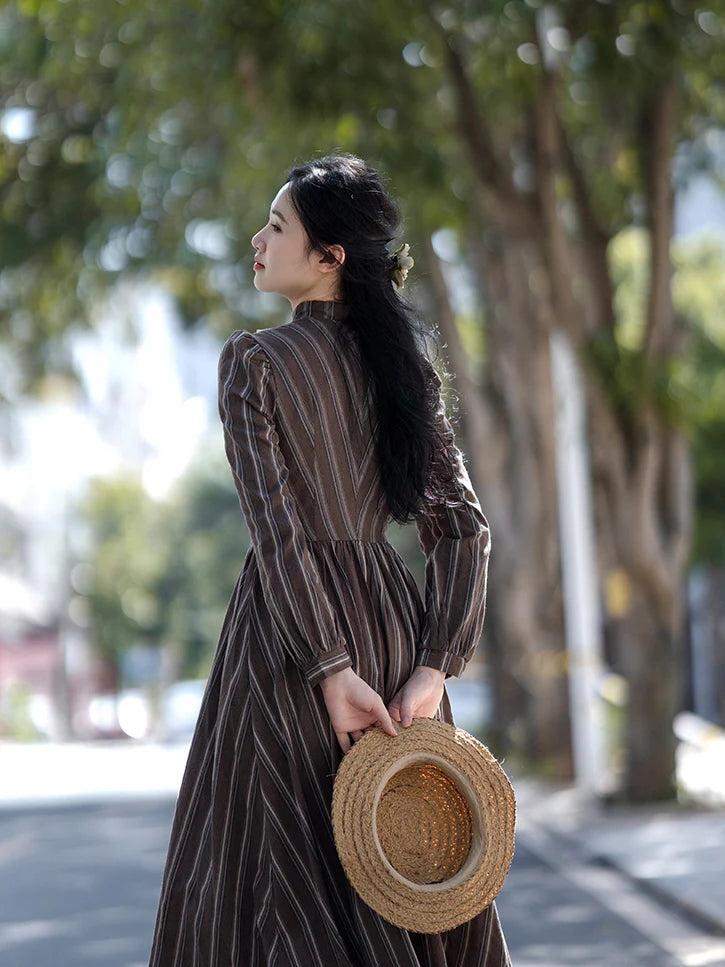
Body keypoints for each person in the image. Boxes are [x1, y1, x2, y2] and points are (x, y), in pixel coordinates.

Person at [147, 154, 511, 966]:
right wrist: (433, 666)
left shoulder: (255, 362)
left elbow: (279, 535)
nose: (257, 238)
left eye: (276, 226)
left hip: (289, 642)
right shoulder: (404, 369)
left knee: (268, 873)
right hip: (393, 636)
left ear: (328, 257)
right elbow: (463, 528)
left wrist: (326, 666)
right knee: (405, 862)